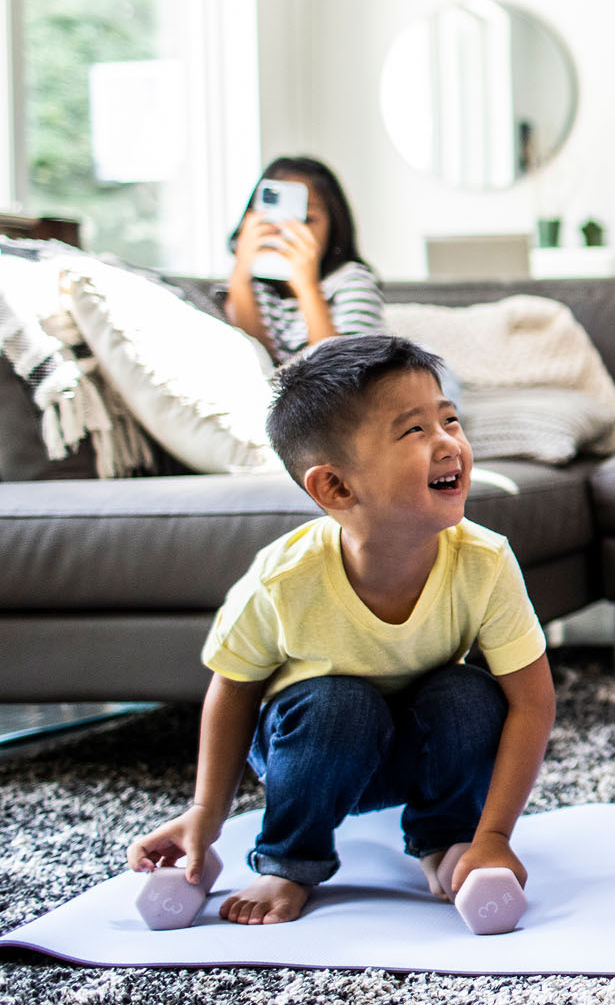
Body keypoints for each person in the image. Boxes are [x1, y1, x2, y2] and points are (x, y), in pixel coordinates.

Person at [127, 335, 556, 925]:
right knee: (340, 703)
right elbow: (232, 688)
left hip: (418, 749)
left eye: (449, 419)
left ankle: (447, 839)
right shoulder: (284, 577)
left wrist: (496, 833)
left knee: (469, 693)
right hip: (308, 749)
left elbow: (532, 703)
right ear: (335, 487)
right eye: (414, 431)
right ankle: (288, 862)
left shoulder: (486, 559)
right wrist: (206, 811)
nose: (448, 443)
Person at [225, 156, 384, 364]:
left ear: (334, 224)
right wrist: (240, 275)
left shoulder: (352, 280)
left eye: (307, 219)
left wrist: (307, 287)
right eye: (276, 218)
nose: (291, 231)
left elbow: (344, 372)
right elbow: (256, 363)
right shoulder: (247, 288)